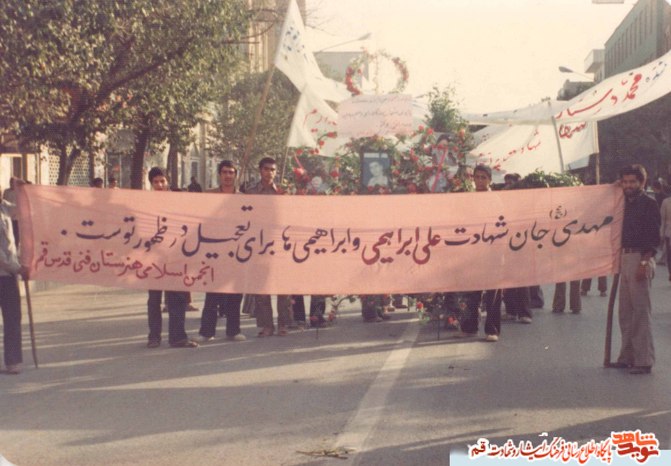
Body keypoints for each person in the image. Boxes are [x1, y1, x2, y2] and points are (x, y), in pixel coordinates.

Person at [609, 164, 660, 375]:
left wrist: (644, 263)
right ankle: (627, 357)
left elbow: (653, 237)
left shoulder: (649, 204)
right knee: (625, 312)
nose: (628, 185)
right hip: (624, 257)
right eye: (625, 182)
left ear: (641, 182)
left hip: (640, 258)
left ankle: (644, 360)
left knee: (640, 312)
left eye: (632, 182)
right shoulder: (623, 201)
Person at [146, 167, 198, 348]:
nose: (159, 185)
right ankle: (154, 337)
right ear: (151, 184)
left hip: (176, 255)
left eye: (162, 181)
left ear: (167, 181)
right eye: (155, 182)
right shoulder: (145, 203)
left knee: (178, 297)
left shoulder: (178, 200)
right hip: (153, 258)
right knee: (154, 299)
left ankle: (178, 337)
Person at [196, 161, 246, 343]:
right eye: (225, 172)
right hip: (214, 251)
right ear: (219, 174)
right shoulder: (209, 196)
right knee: (212, 294)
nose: (228, 176)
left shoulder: (243, 198)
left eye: (231, 172)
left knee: (235, 293)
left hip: (235, 251)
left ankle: (233, 330)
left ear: (235, 175)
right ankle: (206, 332)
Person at [246, 157, 292, 337]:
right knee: (262, 288)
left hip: (280, 243)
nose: (269, 172)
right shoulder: (250, 192)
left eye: (273, 169)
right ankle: (266, 325)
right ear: (260, 170)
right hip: (258, 244)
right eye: (266, 169)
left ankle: (283, 324)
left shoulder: (283, 192)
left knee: (282, 287)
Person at [458, 164, 501, 342]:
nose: (480, 180)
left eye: (484, 177)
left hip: (492, 249)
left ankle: (492, 330)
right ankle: (469, 327)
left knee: (493, 291)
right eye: (477, 177)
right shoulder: (469, 199)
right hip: (473, 249)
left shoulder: (496, 200)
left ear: (490, 180)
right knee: (471, 290)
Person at [1, 181, 29, 374]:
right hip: (5, 271)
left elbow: (23, 210)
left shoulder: (4, 208)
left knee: (12, 318)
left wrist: (25, 190)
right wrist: (18, 269)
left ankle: (12, 361)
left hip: (8, 276)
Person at [660, 193, 671, 280]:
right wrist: (661, 234)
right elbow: (662, 220)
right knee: (669, 255)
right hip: (669, 233)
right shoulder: (666, 202)